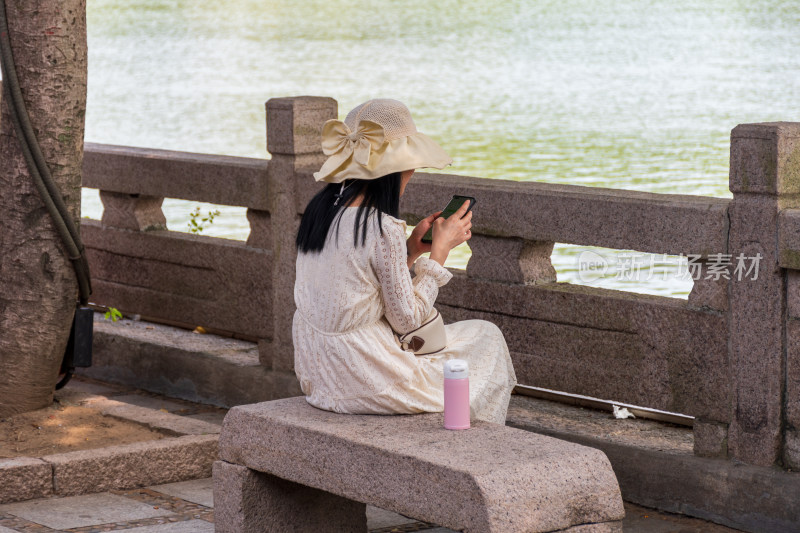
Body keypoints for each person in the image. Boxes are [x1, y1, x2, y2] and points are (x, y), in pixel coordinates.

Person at [292, 98, 517, 424]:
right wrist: (439, 253)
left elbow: (359, 285)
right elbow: (407, 321)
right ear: (396, 168)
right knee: (487, 337)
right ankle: (469, 445)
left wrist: (411, 249)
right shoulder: (381, 226)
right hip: (366, 376)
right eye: (410, 163)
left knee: (470, 340)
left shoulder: (320, 211)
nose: (412, 171)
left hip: (318, 373)